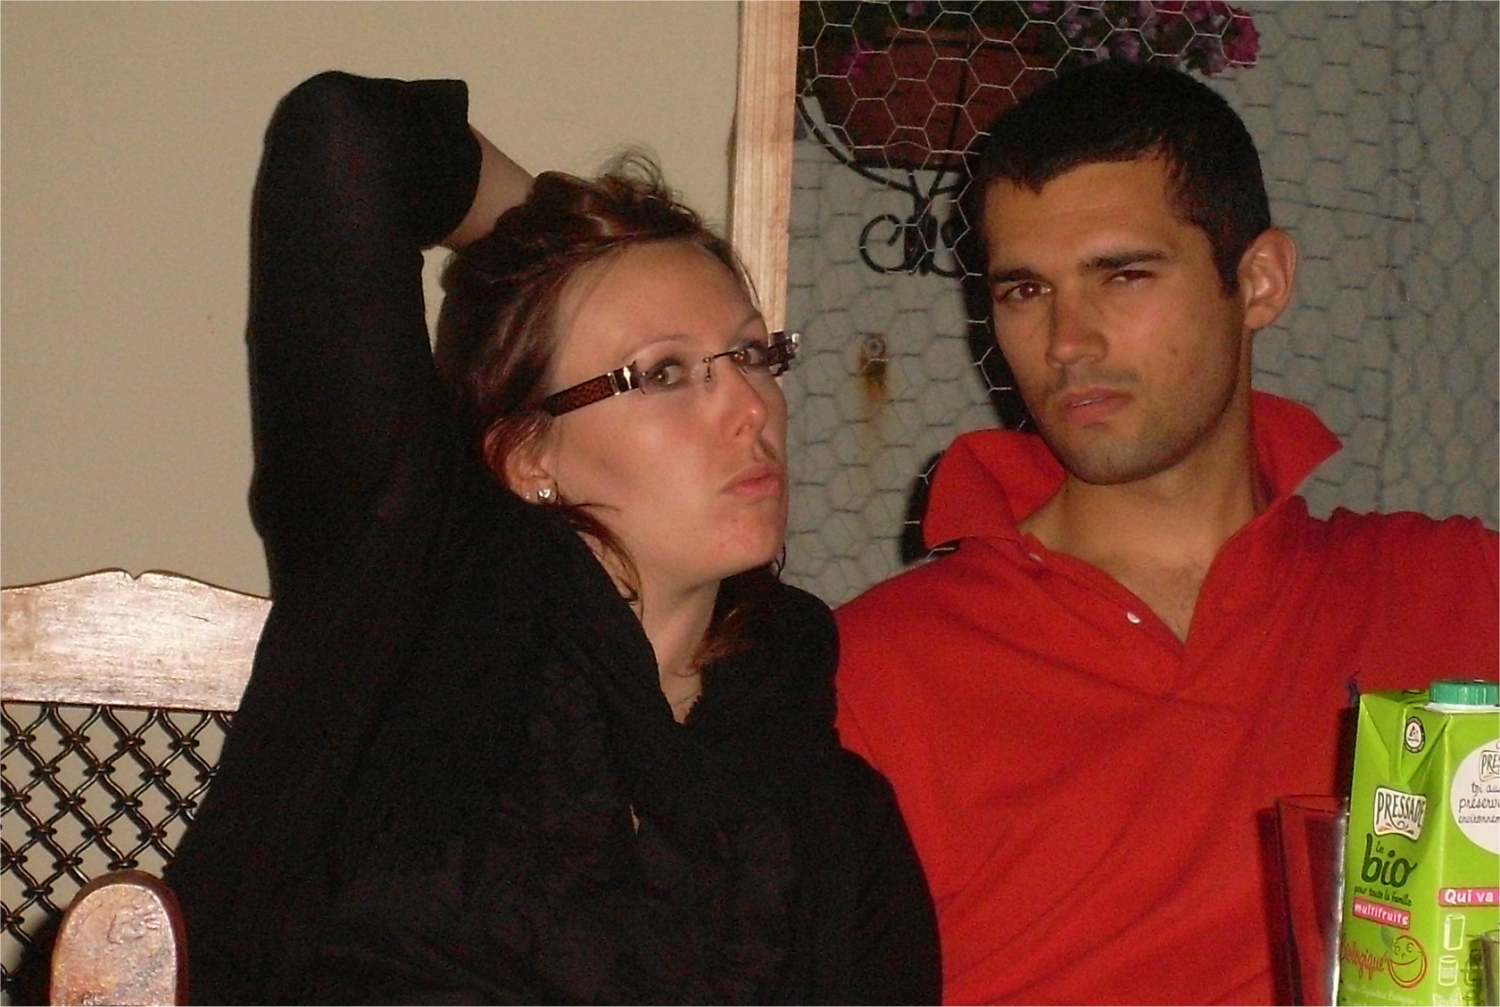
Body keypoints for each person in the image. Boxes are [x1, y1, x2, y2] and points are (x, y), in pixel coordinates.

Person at [161, 70, 940, 1005]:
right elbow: (346, 139)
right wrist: (555, 237)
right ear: (529, 454)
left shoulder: (828, 810)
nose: (750, 405)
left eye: (751, 353)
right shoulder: (413, 594)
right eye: (663, 373)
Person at [834, 59, 1499, 1006]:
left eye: (1123, 275)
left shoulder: (1456, 589)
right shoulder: (870, 670)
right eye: (1025, 291)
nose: (1068, 341)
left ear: (1260, 281)